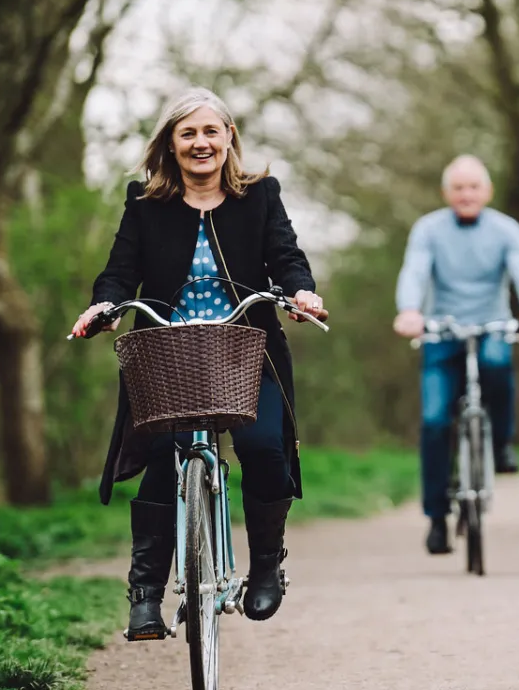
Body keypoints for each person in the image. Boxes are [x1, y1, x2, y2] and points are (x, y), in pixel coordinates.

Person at [69, 87, 327, 640]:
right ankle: (145, 597)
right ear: (171, 143)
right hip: (167, 355)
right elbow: (120, 270)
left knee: (261, 446)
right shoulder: (145, 203)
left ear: (229, 136)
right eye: (187, 133)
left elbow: (285, 256)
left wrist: (301, 293)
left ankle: (264, 567)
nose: (200, 142)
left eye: (211, 131)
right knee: (164, 453)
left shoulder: (259, 196)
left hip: (245, 350)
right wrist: (104, 304)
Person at [392, 155, 519, 556]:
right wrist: (410, 311)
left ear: (488, 191)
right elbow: (415, 270)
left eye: (474, 187)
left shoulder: (505, 229)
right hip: (440, 330)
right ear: (447, 193)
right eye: (458, 188)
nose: (466, 194)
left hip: (493, 327)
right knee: (433, 421)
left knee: (497, 365)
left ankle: (500, 443)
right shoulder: (429, 229)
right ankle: (435, 517)